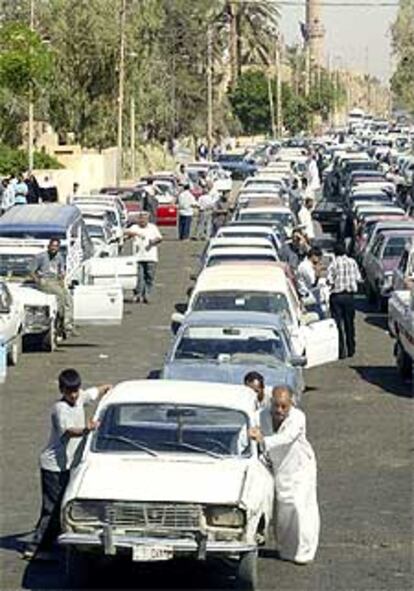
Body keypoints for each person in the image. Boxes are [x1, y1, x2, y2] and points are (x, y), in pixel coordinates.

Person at [23, 369, 112, 560]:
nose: (73, 395)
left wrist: (108, 388)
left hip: (66, 465)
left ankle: (47, 541)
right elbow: (70, 431)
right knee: (52, 509)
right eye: (69, 391)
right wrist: (87, 429)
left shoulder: (80, 397)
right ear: (61, 390)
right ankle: (36, 548)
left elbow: (93, 393)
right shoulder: (59, 409)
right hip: (53, 466)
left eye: (75, 390)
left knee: (58, 506)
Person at [249, 386, 320, 565]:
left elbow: (287, 437)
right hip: (277, 467)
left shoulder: (298, 417)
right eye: (276, 406)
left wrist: (263, 440)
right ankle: (286, 550)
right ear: (271, 402)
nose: (279, 411)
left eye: (284, 407)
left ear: (291, 405)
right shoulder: (260, 416)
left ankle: (305, 552)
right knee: (283, 510)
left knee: (300, 508)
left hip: (300, 468)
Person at [30, 237, 75, 338]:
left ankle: (68, 324)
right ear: (48, 246)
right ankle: (62, 323)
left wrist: (62, 280)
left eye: (56, 246)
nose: (54, 248)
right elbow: (31, 271)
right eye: (52, 246)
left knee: (68, 298)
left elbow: (61, 271)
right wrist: (38, 280)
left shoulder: (59, 257)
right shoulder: (40, 257)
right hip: (45, 281)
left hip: (55, 281)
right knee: (60, 295)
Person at [326, 243, 362, 359]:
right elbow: (358, 278)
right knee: (349, 323)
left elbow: (329, 280)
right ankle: (351, 349)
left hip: (337, 296)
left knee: (337, 324)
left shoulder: (334, 264)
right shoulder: (353, 262)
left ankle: (341, 351)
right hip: (349, 296)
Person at [124, 211, 163, 303]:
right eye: (140, 219)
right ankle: (138, 294)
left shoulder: (152, 228)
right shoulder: (135, 227)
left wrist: (152, 242)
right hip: (137, 257)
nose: (142, 221)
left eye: (144, 219)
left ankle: (147, 294)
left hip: (150, 257)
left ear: (147, 220)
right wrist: (133, 234)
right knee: (139, 277)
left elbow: (159, 238)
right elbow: (125, 233)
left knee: (149, 277)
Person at [296, 247, 325, 317]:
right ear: (313, 256)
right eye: (319, 257)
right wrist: (318, 273)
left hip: (314, 298)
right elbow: (313, 282)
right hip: (308, 298)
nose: (319, 260)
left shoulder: (309, 265)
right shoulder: (305, 266)